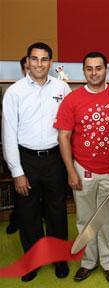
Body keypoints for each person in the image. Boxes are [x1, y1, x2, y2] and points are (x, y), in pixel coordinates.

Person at [54, 51, 109, 283]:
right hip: (83, 169)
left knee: (108, 219)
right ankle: (88, 262)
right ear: (83, 70)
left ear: (107, 70)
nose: (94, 72)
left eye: (99, 68)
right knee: (85, 219)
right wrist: (70, 171)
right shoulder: (72, 100)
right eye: (89, 68)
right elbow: (63, 138)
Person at [1, 42, 71, 282]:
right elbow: (8, 133)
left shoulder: (63, 88)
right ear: (27, 61)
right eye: (35, 59)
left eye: (44, 59)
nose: (39, 64)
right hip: (26, 161)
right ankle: (32, 261)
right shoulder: (15, 92)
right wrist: (17, 171)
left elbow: (69, 128)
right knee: (29, 215)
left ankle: (59, 258)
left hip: (55, 160)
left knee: (57, 213)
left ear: (50, 62)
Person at [5, 56, 30, 235]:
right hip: (23, 154)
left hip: (51, 156)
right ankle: (16, 219)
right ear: (23, 70)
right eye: (29, 66)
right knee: (22, 194)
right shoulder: (15, 92)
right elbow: (9, 132)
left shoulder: (58, 88)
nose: (36, 67)